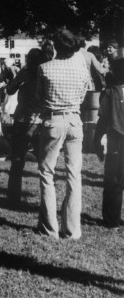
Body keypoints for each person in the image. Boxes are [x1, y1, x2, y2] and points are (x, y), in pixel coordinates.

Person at [35, 28, 89, 240]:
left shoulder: (44, 68)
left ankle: (49, 228)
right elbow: (83, 97)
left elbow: (40, 97)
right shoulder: (82, 70)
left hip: (53, 120)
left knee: (47, 173)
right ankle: (72, 229)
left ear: (55, 47)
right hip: (75, 121)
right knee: (74, 174)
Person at [6, 48, 46, 207]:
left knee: (17, 160)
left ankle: (13, 197)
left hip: (22, 119)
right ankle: (46, 197)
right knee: (44, 162)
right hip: (40, 120)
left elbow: (10, 89)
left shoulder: (24, 73)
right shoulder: (45, 73)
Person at [94, 58, 124, 228]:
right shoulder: (110, 92)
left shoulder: (109, 93)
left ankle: (111, 219)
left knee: (113, 179)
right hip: (117, 138)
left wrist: (97, 140)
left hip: (116, 138)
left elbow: (103, 119)